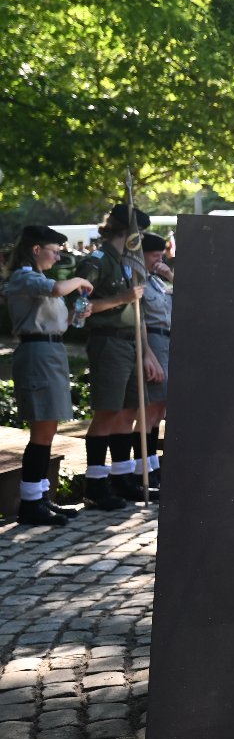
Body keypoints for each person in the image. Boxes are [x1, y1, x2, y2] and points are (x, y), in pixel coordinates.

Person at [4, 226, 94, 526]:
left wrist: (77, 314)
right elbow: (55, 290)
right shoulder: (23, 277)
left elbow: (59, 319)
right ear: (36, 249)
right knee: (41, 430)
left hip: (52, 352)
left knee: (49, 428)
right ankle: (30, 503)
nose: (57, 258)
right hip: (37, 354)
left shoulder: (42, 280)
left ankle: (40, 497)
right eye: (54, 251)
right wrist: (79, 280)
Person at [75, 204, 161, 510]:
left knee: (127, 412)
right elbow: (79, 309)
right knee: (107, 412)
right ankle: (95, 484)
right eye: (140, 232)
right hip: (108, 342)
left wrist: (145, 350)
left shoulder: (127, 263)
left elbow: (136, 315)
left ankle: (122, 477)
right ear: (128, 231)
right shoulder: (98, 262)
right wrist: (120, 299)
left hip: (129, 343)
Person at [139, 233, 174, 490]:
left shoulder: (157, 281)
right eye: (155, 256)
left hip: (167, 341)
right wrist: (147, 353)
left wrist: (170, 275)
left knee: (160, 410)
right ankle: (145, 467)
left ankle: (153, 464)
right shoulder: (139, 281)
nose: (159, 260)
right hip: (153, 340)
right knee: (150, 411)